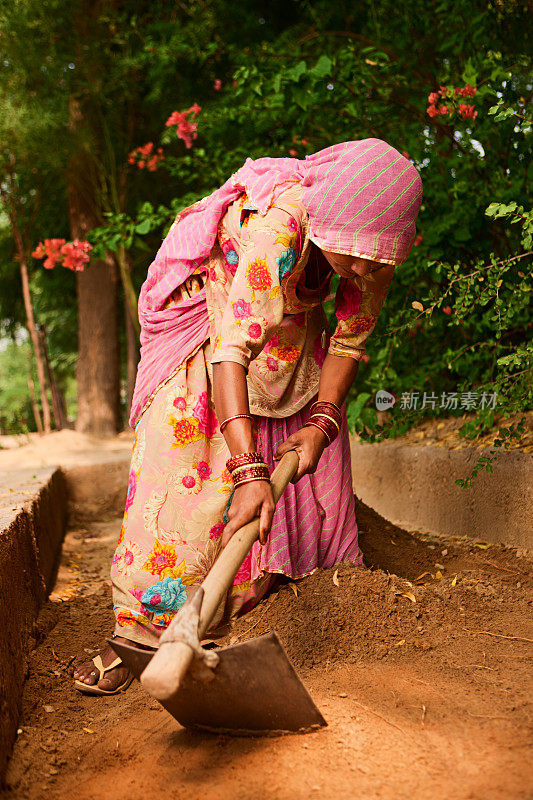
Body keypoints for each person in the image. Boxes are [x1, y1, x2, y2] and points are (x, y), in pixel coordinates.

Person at [73, 139, 422, 694]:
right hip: (214, 324)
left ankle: (251, 602)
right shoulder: (276, 229)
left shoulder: (370, 249)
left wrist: (322, 422)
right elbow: (230, 350)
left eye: (373, 257)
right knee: (187, 471)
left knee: (313, 464)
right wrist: (248, 471)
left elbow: (350, 343)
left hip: (287, 332)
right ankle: (141, 633)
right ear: (327, 216)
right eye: (352, 252)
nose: (360, 267)